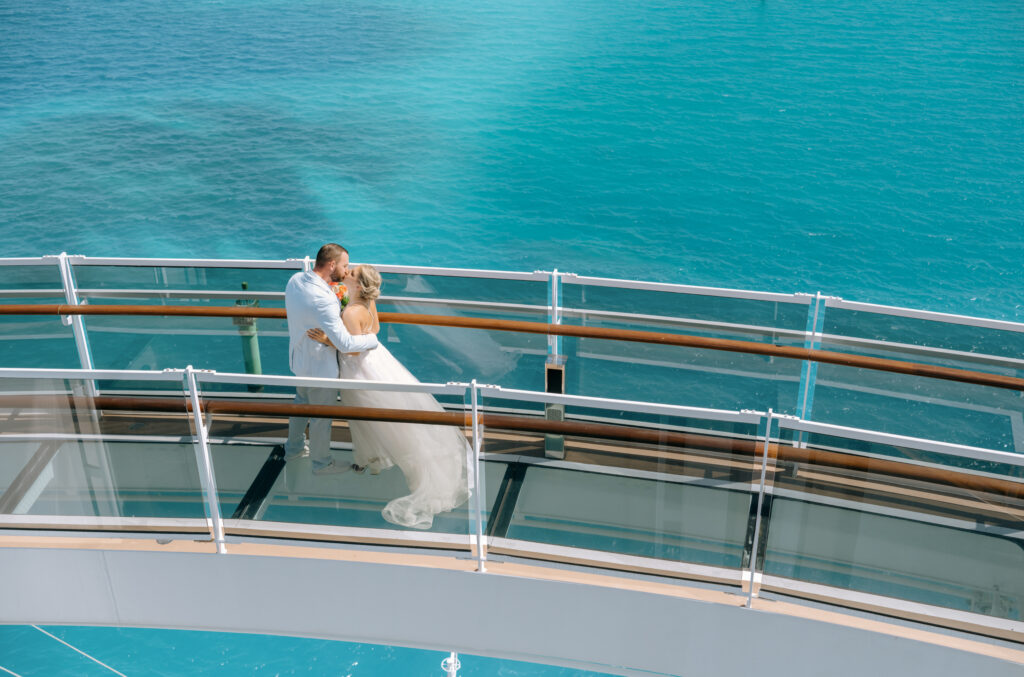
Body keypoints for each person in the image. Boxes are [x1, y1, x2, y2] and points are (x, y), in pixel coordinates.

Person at [307, 264, 470, 530]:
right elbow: (375, 332)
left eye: (351, 274)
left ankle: (377, 460)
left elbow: (353, 352)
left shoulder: (351, 311)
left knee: (371, 418)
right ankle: (375, 459)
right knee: (390, 415)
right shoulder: (369, 304)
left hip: (360, 369)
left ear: (358, 286)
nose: (346, 274)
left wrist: (328, 341)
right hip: (381, 362)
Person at [284, 244, 378, 474]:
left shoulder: (295, 280)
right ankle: (321, 464)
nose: (346, 271)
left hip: (299, 361)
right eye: (345, 266)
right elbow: (346, 344)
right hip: (320, 368)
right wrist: (372, 341)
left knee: (300, 405)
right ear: (332, 264)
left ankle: (293, 448)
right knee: (321, 419)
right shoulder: (324, 300)